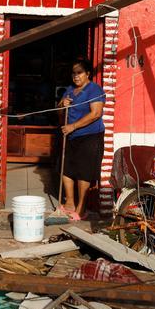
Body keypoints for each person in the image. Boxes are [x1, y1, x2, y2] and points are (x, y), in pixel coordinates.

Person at [58, 57, 105, 221]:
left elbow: (96, 113)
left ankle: (81, 209)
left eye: (79, 72)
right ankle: (70, 203)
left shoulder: (95, 90)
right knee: (67, 169)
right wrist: (62, 104)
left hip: (90, 137)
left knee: (83, 172)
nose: (76, 76)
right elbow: (58, 109)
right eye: (74, 73)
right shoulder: (70, 90)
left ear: (88, 74)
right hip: (71, 136)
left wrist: (73, 126)